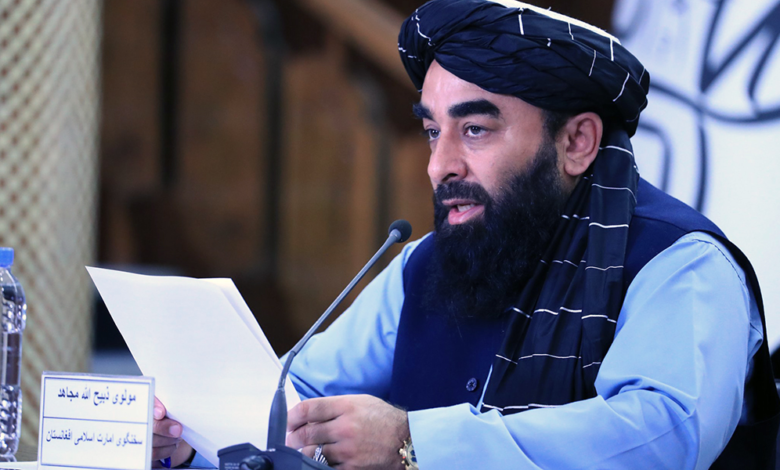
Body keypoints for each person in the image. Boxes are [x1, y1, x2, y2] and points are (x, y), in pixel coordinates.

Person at [152, 1, 780, 468]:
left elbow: (661, 436)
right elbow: (303, 394)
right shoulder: (424, 264)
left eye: (474, 129)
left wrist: (415, 444)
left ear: (577, 141)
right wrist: (194, 441)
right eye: (433, 132)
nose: (439, 165)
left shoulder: (680, 263)